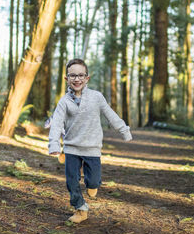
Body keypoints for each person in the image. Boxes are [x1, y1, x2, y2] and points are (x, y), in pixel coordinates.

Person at [48, 58, 132, 223]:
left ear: (87, 78)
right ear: (67, 79)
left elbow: (110, 115)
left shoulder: (96, 97)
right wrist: (54, 144)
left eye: (80, 75)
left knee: (93, 180)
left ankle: (92, 185)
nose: (77, 79)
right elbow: (56, 123)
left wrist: (124, 130)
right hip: (71, 147)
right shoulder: (64, 101)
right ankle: (80, 209)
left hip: (92, 148)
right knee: (71, 182)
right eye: (73, 76)